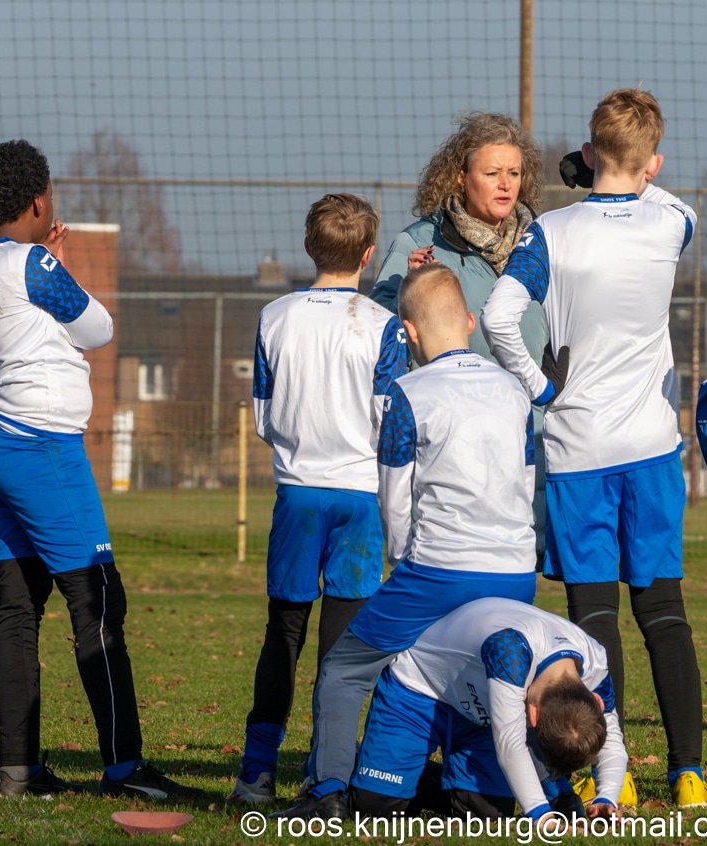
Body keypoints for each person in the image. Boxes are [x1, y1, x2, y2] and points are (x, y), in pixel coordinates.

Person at [481, 87, 707, 807]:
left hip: (578, 447)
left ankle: (613, 774)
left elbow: (498, 316)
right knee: (664, 612)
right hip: (651, 445)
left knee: (592, 620)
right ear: (653, 161)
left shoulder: (550, 233)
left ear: (587, 151)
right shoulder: (673, 220)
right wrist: (618, 171)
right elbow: (659, 193)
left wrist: (538, 387)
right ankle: (690, 775)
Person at [0, 140, 201, 800]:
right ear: (39, 200)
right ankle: (125, 769)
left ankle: (18, 772)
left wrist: (55, 280)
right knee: (97, 598)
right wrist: (60, 271)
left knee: (17, 602)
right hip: (40, 444)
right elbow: (97, 327)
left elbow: (42, 328)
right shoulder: (35, 262)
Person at [276, 262, 538, 819]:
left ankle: (327, 792)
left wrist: (401, 562)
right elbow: (527, 478)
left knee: (344, 669)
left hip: (440, 570)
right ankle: (478, 792)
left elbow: (394, 499)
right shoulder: (514, 388)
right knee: (473, 666)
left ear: (409, 332)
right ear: (469, 322)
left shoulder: (408, 392)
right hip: (517, 572)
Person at [230, 194, 406, 805]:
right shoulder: (383, 324)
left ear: (308, 247)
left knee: (283, 634)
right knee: (342, 651)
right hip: (361, 500)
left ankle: (255, 773)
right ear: (368, 255)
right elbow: (390, 418)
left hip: (298, 495)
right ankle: (324, 775)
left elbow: (263, 415)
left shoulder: (273, 315)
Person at [369, 112, 551, 564]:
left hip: (530, 442)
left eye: (514, 173)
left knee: (516, 574)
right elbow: (381, 334)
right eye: (491, 173)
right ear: (459, 176)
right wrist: (409, 290)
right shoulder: (420, 242)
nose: (505, 184)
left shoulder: (541, 245)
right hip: (447, 450)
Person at [349, 597, 627, 822]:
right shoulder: (510, 650)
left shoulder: (595, 662)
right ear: (532, 715)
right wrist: (539, 813)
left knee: (488, 814)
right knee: (375, 808)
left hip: (480, 715)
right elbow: (510, 743)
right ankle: (360, 763)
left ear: (596, 701)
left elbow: (613, 740)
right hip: (419, 689)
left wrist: (607, 797)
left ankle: (413, 778)